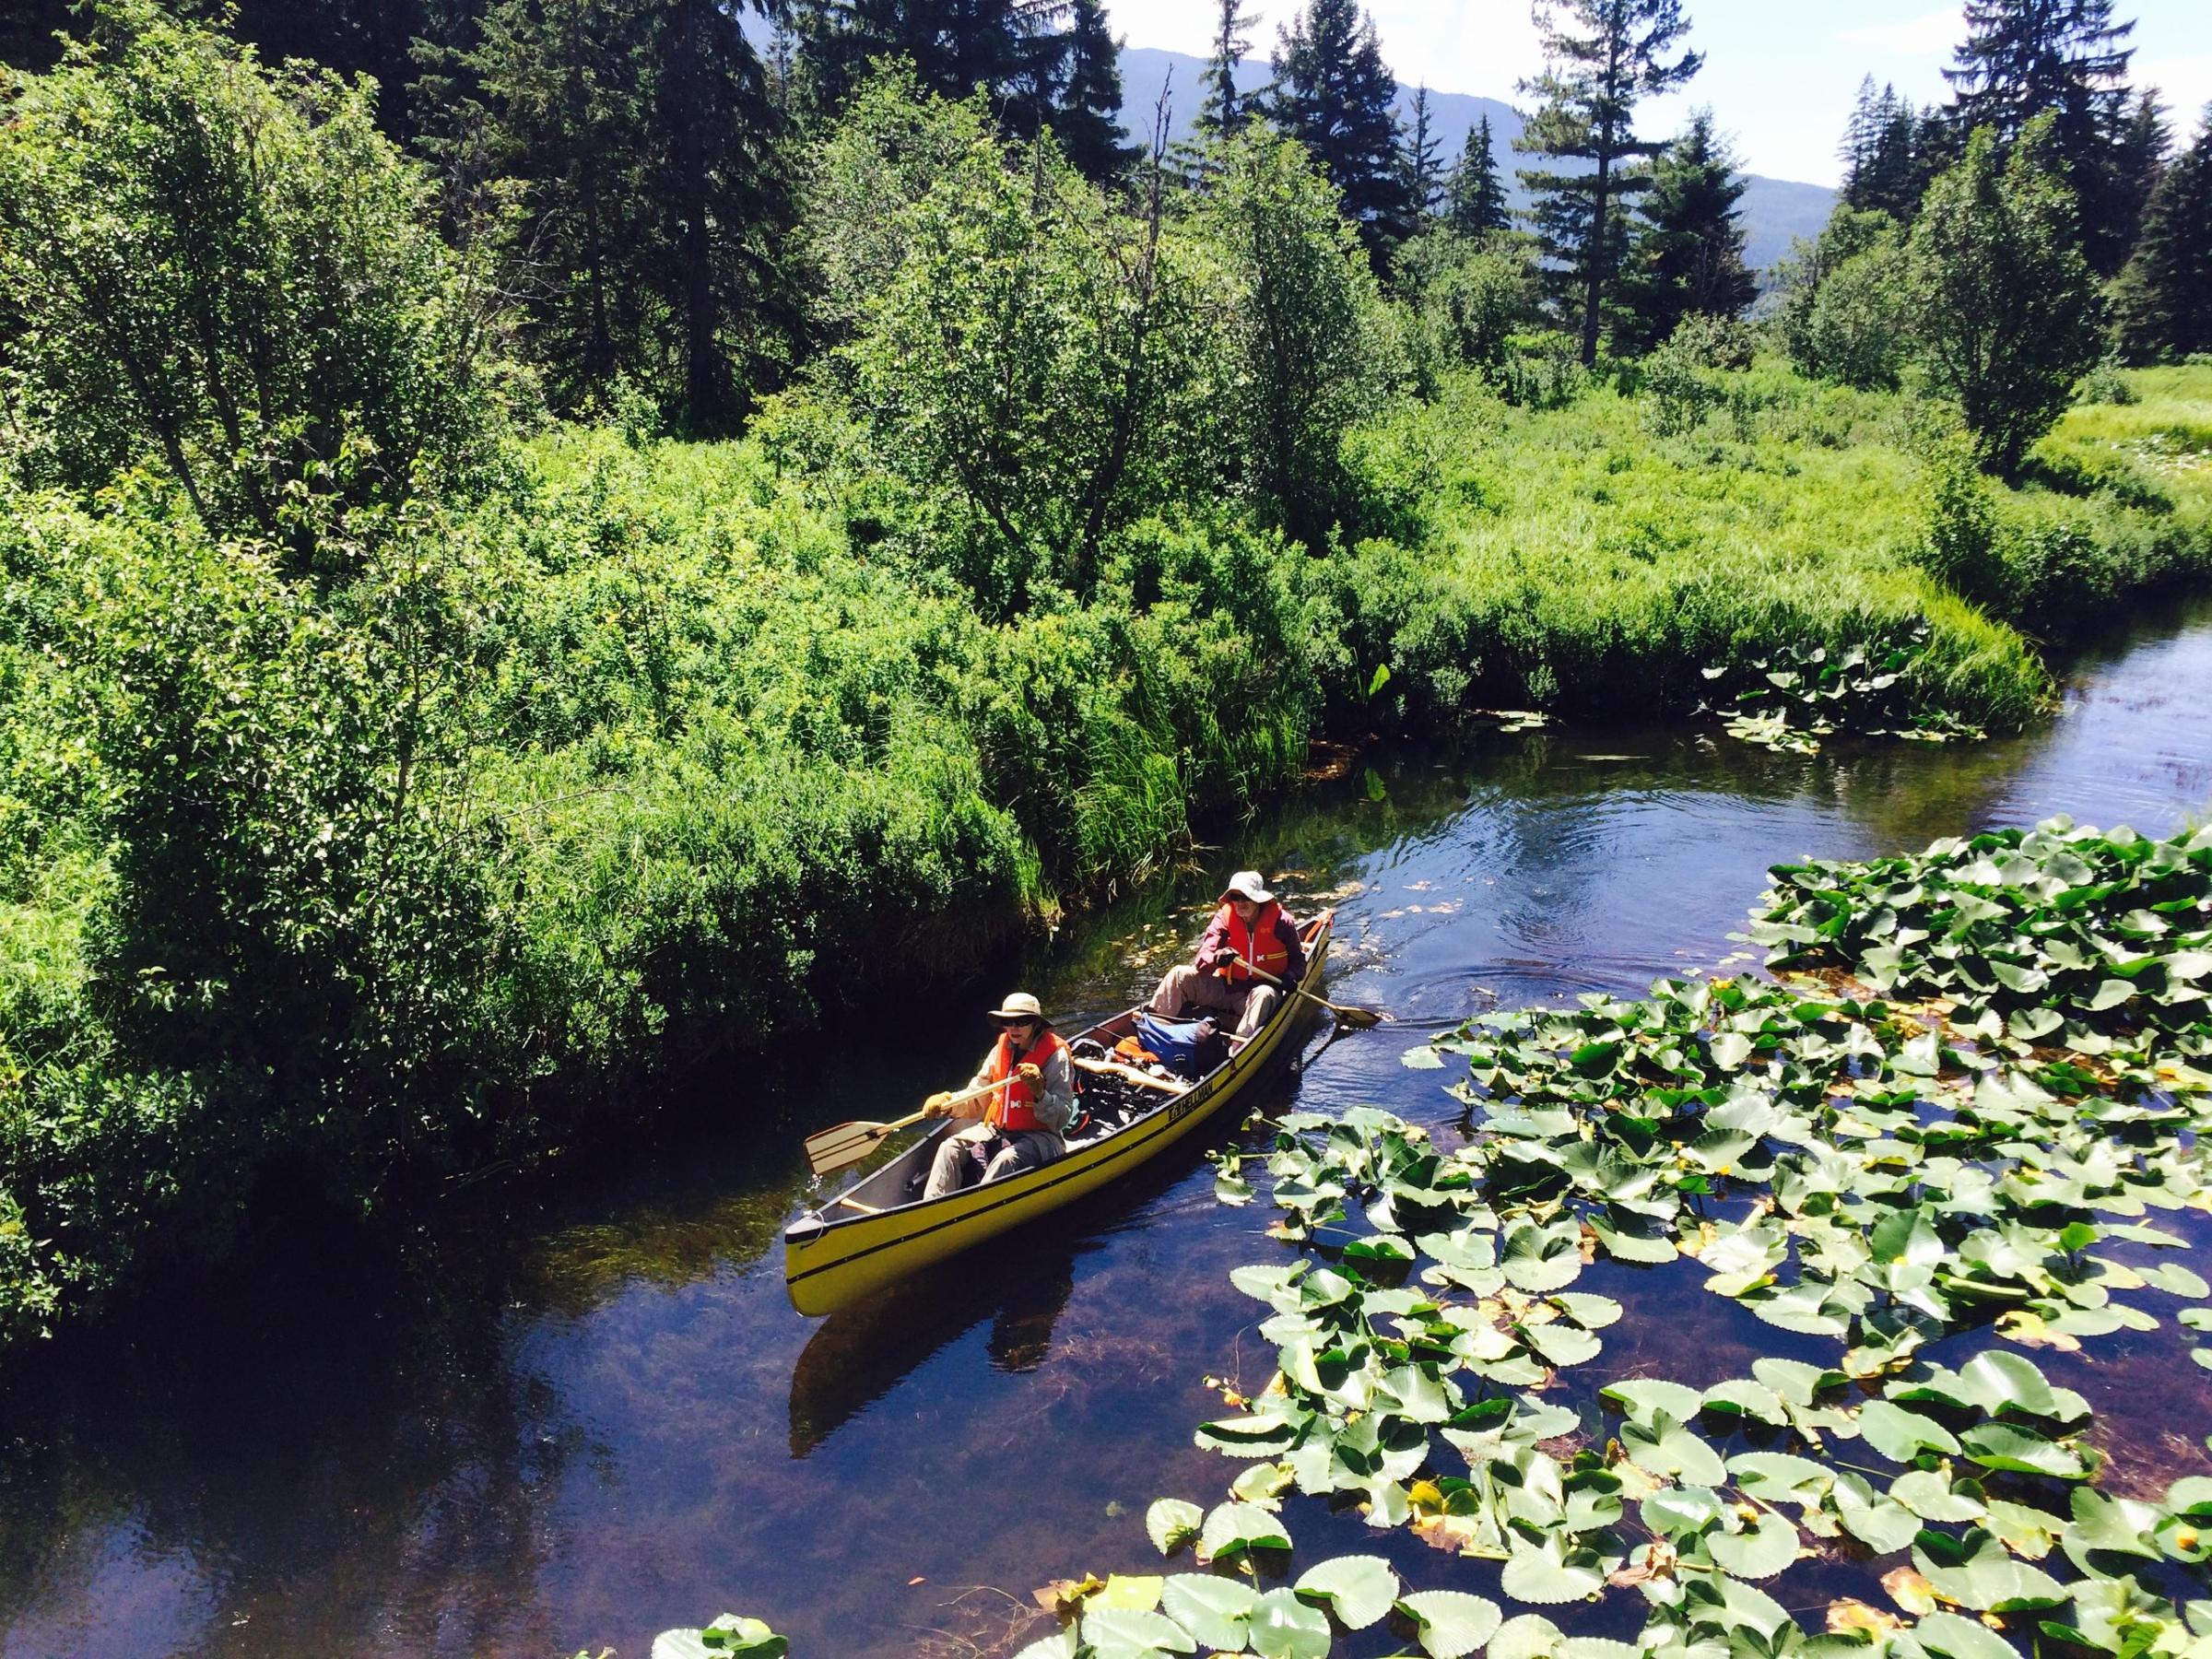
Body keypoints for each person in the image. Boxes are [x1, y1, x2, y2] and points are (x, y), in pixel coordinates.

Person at [921, 992, 1074, 1200]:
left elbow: (1061, 1118)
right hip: (997, 1129)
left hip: (1042, 1137)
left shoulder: (1057, 1056)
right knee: (950, 1147)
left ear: (1036, 1023)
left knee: (1006, 1159)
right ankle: (933, 1208)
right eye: (1008, 1021)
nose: (1014, 1027)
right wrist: (947, 1103)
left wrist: (1039, 1093)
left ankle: (976, 1211)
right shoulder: (1000, 1050)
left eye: (1021, 1021)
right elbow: (978, 1095)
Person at [1148, 871, 1305, 1047]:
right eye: (1235, 897)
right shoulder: (1224, 918)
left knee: (1264, 993)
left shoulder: (1282, 922)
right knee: (1179, 974)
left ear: (1258, 899)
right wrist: (1217, 959)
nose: (1240, 903)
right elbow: (1202, 960)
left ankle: (1238, 1050)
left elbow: (1299, 962)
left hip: (1259, 995)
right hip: (1227, 989)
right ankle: (1154, 1032)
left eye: (1245, 897)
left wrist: (1291, 975)